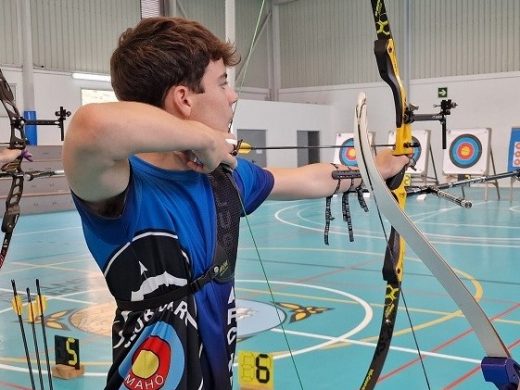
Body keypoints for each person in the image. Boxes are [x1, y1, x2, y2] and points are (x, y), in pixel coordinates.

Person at [63, 16, 409, 390]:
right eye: (222, 83)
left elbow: (309, 178)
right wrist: (203, 138)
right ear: (183, 98)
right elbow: (91, 126)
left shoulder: (223, 177)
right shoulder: (122, 186)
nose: (233, 96)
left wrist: (376, 170)